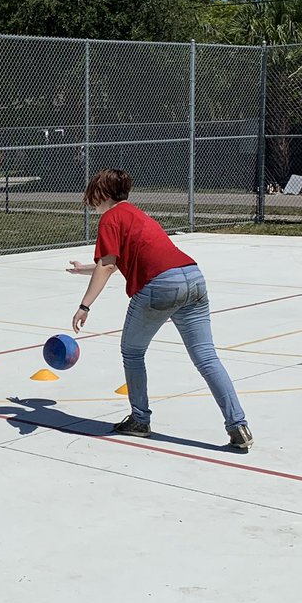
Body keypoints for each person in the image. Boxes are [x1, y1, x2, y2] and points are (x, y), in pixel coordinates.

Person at [67, 168, 253, 449]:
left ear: (101, 193)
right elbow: (113, 262)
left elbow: (108, 265)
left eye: (92, 194)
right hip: (192, 277)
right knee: (206, 357)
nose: (90, 201)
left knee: (132, 351)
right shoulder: (135, 213)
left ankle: (140, 420)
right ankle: (238, 425)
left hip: (161, 285)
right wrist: (85, 270)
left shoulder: (110, 218)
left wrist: (84, 305)